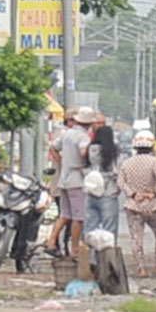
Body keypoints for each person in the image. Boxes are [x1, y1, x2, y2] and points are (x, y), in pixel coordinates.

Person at [119, 130, 156, 277]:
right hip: (152, 204)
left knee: (136, 237)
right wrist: (155, 191)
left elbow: (120, 181)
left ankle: (141, 268)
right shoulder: (154, 162)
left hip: (133, 204)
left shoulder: (127, 163)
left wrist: (132, 194)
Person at [46, 106, 94, 258]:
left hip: (64, 179)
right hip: (77, 181)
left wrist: (62, 162)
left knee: (64, 215)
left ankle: (51, 241)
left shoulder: (67, 134)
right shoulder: (83, 138)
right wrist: (85, 163)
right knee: (78, 218)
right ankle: (75, 249)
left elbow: (53, 147)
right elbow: (83, 152)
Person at [85, 124, 123, 265]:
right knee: (109, 230)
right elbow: (118, 171)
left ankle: (92, 260)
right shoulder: (114, 151)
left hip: (91, 193)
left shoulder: (91, 150)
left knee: (91, 228)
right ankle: (107, 262)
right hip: (108, 193)